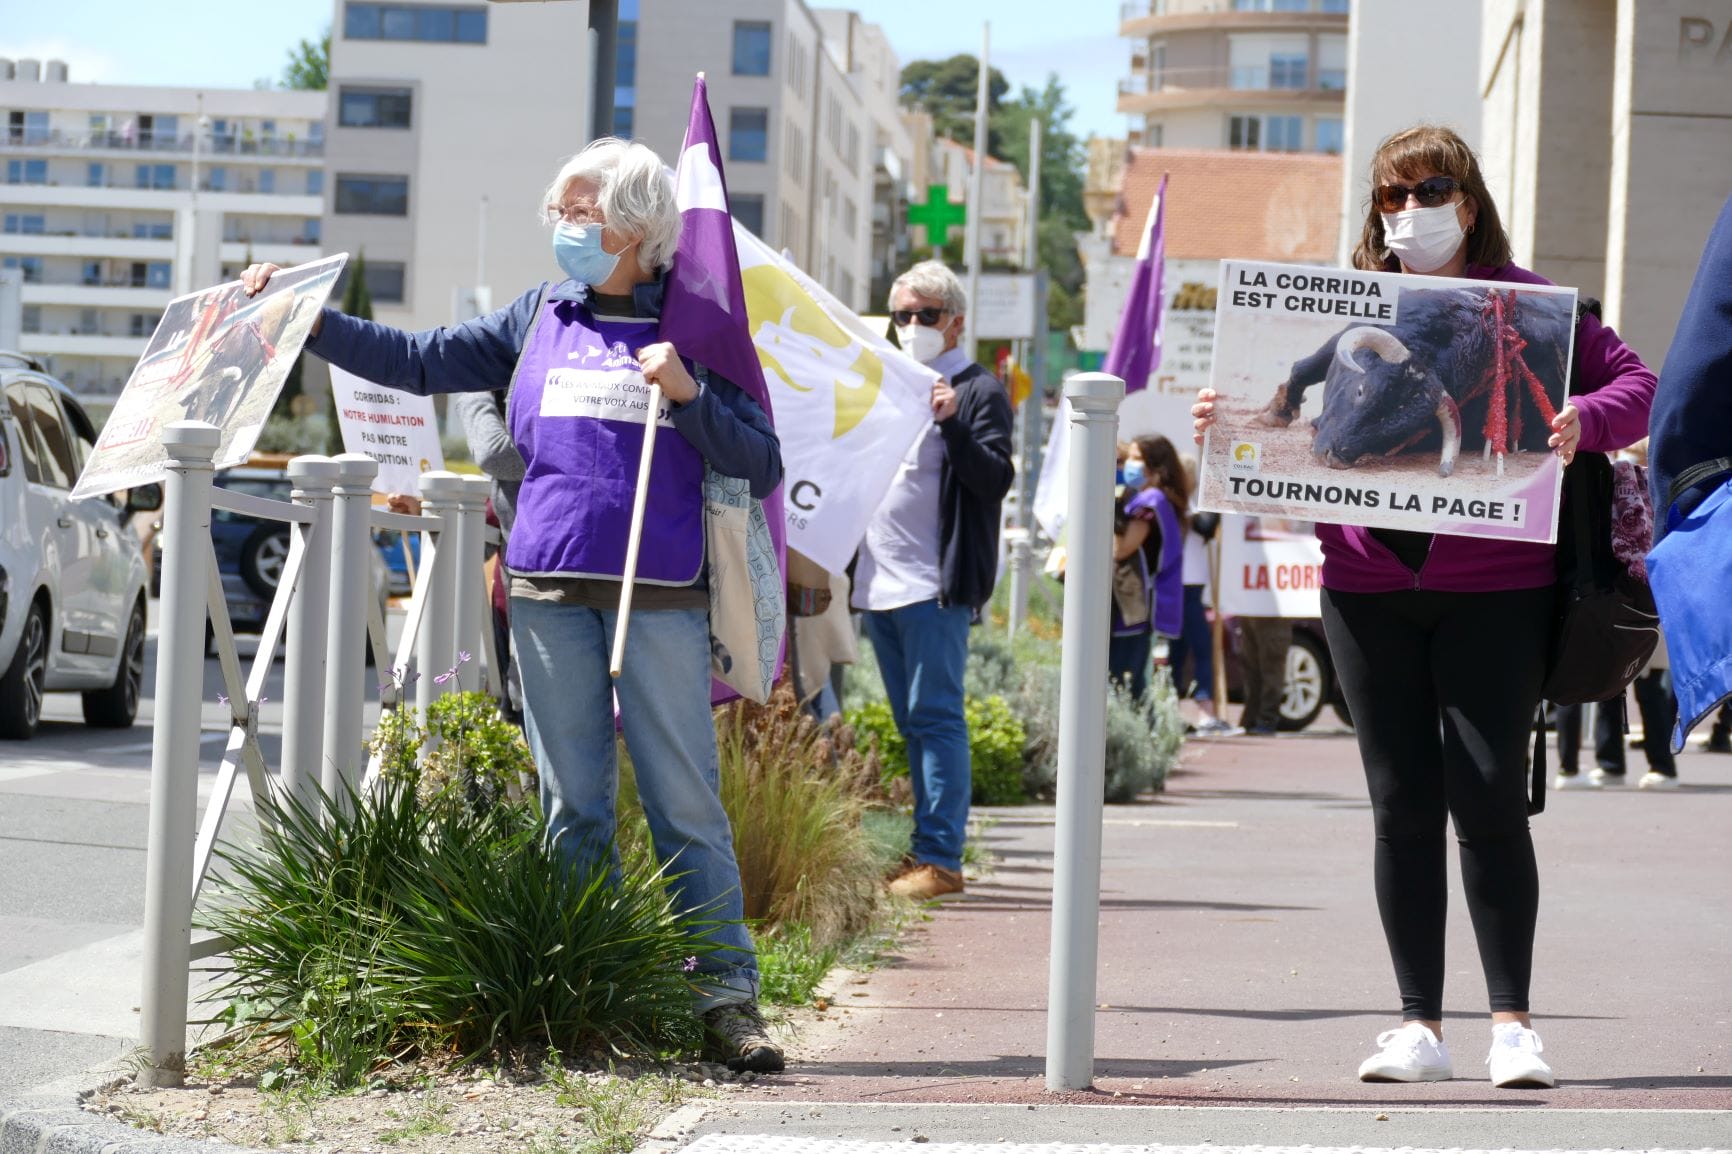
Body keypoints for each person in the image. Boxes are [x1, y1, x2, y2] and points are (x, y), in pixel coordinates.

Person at [239, 138, 787, 1073]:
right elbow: (416, 359)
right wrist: (311, 322)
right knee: (571, 806)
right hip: (542, 591)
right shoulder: (540, 315)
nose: (563, 227)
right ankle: (583, 991)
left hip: (657, 602)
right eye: (559, 211)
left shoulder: (696, 329)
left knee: (683, 805)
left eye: (581, 211)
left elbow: (761, 461)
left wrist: (689, 395)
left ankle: (723, 1000)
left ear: (638, 227)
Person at [1193, 125, 1655, 1089]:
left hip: (1496, 594)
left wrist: (1585, 419)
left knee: (1489, 799)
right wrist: (1222, 425)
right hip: (1364, 590)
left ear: (1468, 201)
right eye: (1390, 198)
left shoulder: (1527, 307)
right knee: (1400, 807)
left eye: (1427, 191)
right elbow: (1284, 401)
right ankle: (1417, 1026)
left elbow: (1639, 382)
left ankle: (1514, 1026)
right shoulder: (1347, 302)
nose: (1408, 212)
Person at [853, 260, 1014, 902]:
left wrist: (950, 422)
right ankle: (924, 850)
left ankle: (942, 859)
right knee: (911, 722)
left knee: (937, 717)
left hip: (932, 584)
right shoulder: (891, 381)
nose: (912, 326)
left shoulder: (977, 390)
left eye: (925, 316)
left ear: (955, 323)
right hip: (878, 582)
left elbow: (994, 480)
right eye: (902, 316)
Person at [1110, 434, 1186, 701]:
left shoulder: (1152, 500)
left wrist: (1113, 512)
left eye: (1136, 458)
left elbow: (1121, 549)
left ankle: (1142, 738)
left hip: (1133, 605)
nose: (1128, 464)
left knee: (1126, 684)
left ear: (1157, 468)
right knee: (1125, 682)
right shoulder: (1143, 496)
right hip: (1128, 604)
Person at [1168, 457, 1237, 736]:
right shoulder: (1178, 505)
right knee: (1200, 649)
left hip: (1188, 585)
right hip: (1185, 585)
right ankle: (1205, 710)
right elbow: (1206, 524)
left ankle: (1173, 708)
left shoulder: (1186, 505)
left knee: (1181, 650)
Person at [1234, 606, 1290, 737]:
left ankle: (1267, 718)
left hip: (1273, 611)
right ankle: (1252, 717)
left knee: (1271, 663)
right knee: (1251, 665)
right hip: (1250, 607)